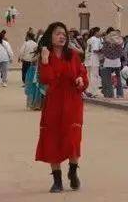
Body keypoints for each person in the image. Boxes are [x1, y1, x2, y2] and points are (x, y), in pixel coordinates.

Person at [35, 22, 88, 192]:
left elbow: (82, 74)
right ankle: (57, 180)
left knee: (72, 139)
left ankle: (73, 171)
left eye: (64, 34)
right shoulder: (46, 56)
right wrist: (44, 60)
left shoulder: (73, 55)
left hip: (72, 102)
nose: (62, 36)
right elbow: (46, 79)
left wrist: (81, 80)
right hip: (54, 103)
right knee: (53, 140)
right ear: (50, 36)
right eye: (58, 33)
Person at [99, 28, 125, 98]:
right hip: (117, 62)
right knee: (118, 78)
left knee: (108, 79)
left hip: (108, 62)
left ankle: (110, 94)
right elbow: (121, 51)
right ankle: (120, 94)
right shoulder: (120, 41)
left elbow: (104, 51)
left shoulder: (106, 41)